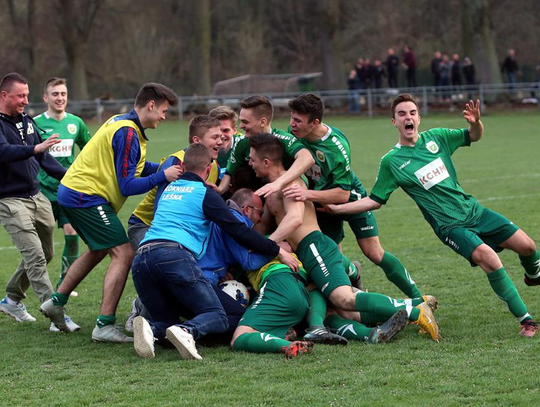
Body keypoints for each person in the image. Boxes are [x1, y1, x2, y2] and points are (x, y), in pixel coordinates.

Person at [325, 94, 540, 338]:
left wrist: (475, 123)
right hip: (450, 226)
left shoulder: (437, 138)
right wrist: (336, 209)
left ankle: (534, 276)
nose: (409, 117)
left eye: (413, 113)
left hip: (475, 211)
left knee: (528, 246)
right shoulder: (391, 162)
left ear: (419, 117)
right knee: (489, 259)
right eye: (402, 114)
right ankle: (527, 321)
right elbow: (374, 201)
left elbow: (475, 135)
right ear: (394, 122)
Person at [249, 133, 440, 342]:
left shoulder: (290, 184)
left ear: (266, 162)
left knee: (344, 299)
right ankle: (410, 307)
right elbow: (261, 227)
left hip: (314, 246)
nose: (250, 163)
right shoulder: (271, 194)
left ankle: (416, 311)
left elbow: (295, 219)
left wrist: (268, 243)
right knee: (342, 307)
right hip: (309, 251)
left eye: (252, 159)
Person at [40, 82, 183, 342]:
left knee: (99, 249)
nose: (164, 116)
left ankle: (56, 302)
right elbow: (127, 184)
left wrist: (164, 167)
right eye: (163, 110)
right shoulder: (128, 133)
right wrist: (163, 175)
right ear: (150, 105)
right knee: (124, 252)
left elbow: (135, 166)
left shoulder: (124, 124)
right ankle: (104, 325)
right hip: (84, 196)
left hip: (75, 192)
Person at [130, 143, 298, 359]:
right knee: (217, 315)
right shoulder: (204, 194)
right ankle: (187, 331)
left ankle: (151, 330)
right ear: (209, 169)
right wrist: (277, 250)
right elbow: (238, 231)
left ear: (181, 165)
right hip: (173, 256)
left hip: (141, 258)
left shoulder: (167, 191)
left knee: (166, 323)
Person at [284, 94, 423, 300]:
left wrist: (307, 194)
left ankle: (419, 299)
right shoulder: (294, 133)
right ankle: (352, 281)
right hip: (320, 203)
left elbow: (342, 193)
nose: (292, 124)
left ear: (314, 123)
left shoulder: (336, 147)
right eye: (292, 118)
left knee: (374, 252)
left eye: (298, 120)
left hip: (350, 197)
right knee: (333, 256)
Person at [0, 73, 70, 330]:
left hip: (36, 196)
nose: (25, 101)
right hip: (9, 200)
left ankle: (12, 299)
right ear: (4, 95)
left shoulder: (27, 121)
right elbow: (4, 152)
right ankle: (56, 315)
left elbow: (43, 159)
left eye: (27, 95)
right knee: (36, 256)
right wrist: (35, 149)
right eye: (20, 96)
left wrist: (70, 177)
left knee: (46, 253)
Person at [127, 115, 223, 250]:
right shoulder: (175, 162)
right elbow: (160, 211)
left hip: (182, 228)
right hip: (147, 225)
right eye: (214, 137)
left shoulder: (214, 167)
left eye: (220, 137)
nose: (220, 142)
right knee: (162, 254)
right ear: (196, 140)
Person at [34, 77, 91, 302]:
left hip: (67, 189)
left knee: (72, 234)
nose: (60, 98)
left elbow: (88, 151)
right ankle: (22, 291)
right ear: (45, 97)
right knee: (39, 247)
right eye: (55, 94)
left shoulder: (76, 123)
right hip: (41, 192)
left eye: (63, 94)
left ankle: (63, 283)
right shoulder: (35, 123)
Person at [215, 95, 314, 197]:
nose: (241, 126)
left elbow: (307, 158)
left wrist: (277, 183)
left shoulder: (282, 139)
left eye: (245, 122)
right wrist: (219, 189)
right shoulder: (242, 143)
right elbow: (229, 173)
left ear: (263, 122)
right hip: (262, 192)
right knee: (242, 174)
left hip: (288, 191)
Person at [208, 105, 242, 183]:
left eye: (225, 130)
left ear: (234, 130)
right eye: (217, 130)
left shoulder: (243, 144)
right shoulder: (203, 145)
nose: (221, 136)